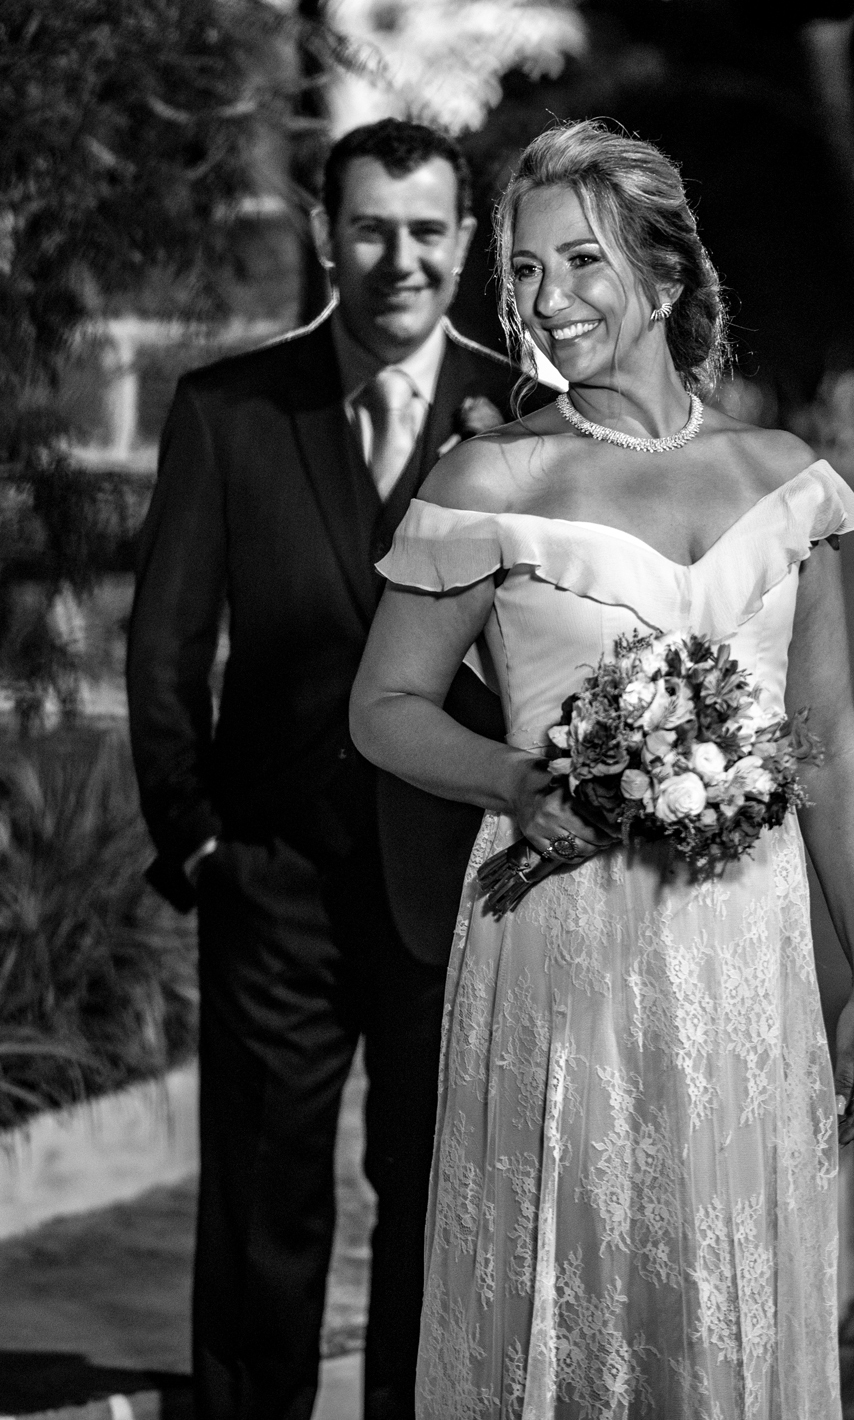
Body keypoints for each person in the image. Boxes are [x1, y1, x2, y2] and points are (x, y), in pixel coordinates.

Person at [350, 120, 854, 1418]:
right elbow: (382, 707)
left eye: (581, 260)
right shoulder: (494, 475)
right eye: (524, 271)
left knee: (720, 1308)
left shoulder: (784, 481)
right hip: (567, 949)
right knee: (574, 1289)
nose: (549, 300)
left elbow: (826, 742)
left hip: (746, 964)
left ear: (664, 271)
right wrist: (511, 780)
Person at [127, 118, 551, 1420]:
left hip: (460, 887)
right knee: (262, 1209)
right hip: (274, 882)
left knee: (437, 1205)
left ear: (466, 242)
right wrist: (201, 842)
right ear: (325, 233)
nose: (399, 259)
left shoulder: (531, 420)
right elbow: (165, 646)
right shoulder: (230, 409)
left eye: (426, 231)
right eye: (371, 229)